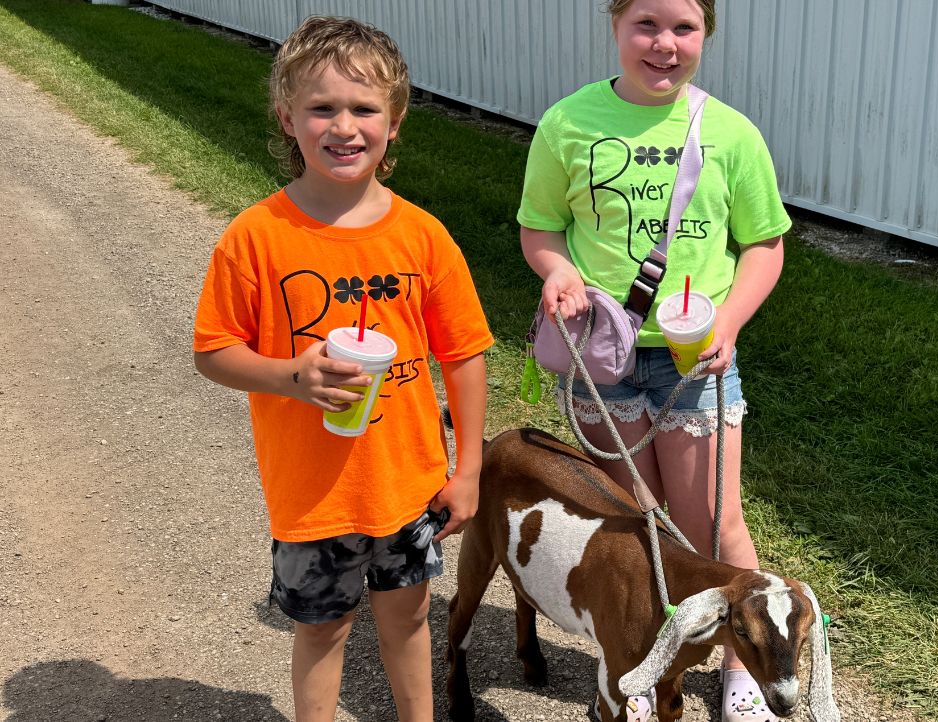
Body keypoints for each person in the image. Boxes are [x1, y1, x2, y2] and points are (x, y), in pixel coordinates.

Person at [192, 16, 492, 722]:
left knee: (408, 622)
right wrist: (291, 377)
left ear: (395, 123)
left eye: (363, 109)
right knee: (323, 629)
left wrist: (469, 466)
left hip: (408, 481)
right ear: (287, 117)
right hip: (313, 491)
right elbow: (213, 351)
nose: (344, 126)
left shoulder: (422, 235)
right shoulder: (257, 237)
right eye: (322, 107)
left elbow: (465, 353)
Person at [517, 1, 789, 719]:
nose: (664, 45)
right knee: (630, 527)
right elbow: (540, 227)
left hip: (694, 361)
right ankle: (639, 665)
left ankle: (743, 670)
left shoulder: (730, 132)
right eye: (647, 25)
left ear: (705, 36)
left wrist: (729, 320)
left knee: (710, 526)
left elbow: (765, 244)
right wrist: (557, 272)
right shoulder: (568, 124)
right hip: (601, 360)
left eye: (684, 28)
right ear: (616, 25)